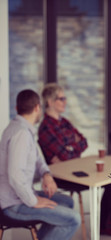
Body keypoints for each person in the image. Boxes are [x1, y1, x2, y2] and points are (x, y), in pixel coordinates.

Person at [37, 83, 111, 236]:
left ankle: (107, 221)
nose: (65, 102)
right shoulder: (45, 127)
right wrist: (71, 146)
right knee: (105, 179)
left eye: (65, 98)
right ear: (49, 102)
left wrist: (69, 148)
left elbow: (83, 142)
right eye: (61, 98)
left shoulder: (64, 122)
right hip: (62, 176)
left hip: (75, 168)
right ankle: (109, 221)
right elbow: (65, 155)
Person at [0, 89, 81, 240]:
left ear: (17, 109)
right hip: (13, 204)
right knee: (73, 219)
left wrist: (46, 174)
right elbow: (15, 176)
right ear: (38, 108)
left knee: (67, 202)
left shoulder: (23, 129)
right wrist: (34, 201)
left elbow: (39, 158)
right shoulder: (21, 134)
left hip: (19, 197)